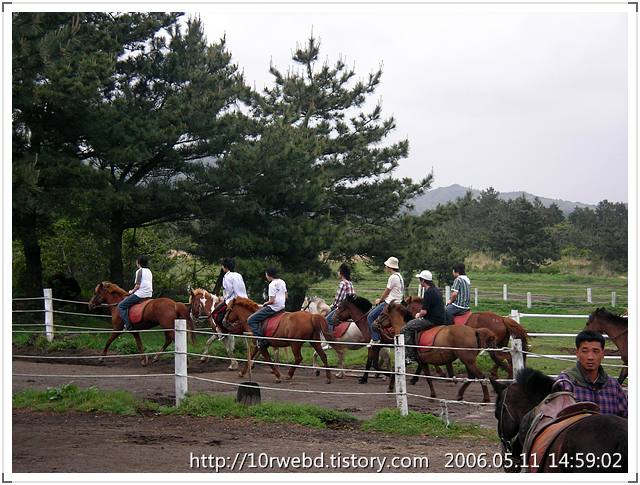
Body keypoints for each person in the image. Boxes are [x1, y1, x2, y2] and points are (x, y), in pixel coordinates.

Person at [553, 330, 627, 418]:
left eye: (595, 351)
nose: (590, 357)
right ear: (577, 353)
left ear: (603, 354)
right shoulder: (564, 383)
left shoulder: (613, 385)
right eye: (585, 351)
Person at [401, 270, 447, 363]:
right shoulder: (436, 290)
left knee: (406, 328)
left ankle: (410, 356)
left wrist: (418, 315)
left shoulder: (428, 292)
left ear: (423, 280)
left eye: (420, 279)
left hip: (431, 320)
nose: (419, 281)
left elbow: (424, 311)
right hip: (441, 318)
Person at [367, 257, 404, 347]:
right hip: (398, 302)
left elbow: (387, 291)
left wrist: (380, 300)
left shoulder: (392, 277)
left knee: (370, 317)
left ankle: (376, 339)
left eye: (386, 266)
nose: (385, 268)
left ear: (390, 267)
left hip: (390, 303)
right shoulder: (399, 276)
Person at [247, 267, 287, 349]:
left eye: (266, 274)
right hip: (282, 307)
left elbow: (272, 301)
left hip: (273, 308)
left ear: (269, 275)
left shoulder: (272, 284)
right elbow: (286, 296)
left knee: (251, 320)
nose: (266, 276)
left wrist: (265, 303)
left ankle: (261, 340)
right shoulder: (282, 281)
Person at [118, 255, 153, 331]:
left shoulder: (139, 271)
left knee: (121, 306)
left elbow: (137, 285)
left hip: (141, 294)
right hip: (149, 293)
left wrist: (131, 291)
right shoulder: (149, 271)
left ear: (138, 263)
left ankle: (127, 325)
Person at [212, 257, 248, 329]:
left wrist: (223, 298)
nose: (222, 267)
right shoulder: (238, 275)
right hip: (245, 298)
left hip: (233, 300)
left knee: (215, 313)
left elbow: (229, 291)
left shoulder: (227, 277)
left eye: (222, 265)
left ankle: (225, 330)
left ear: (225, 267)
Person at [326, 263, 355, 330]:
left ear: (341, 273)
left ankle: (329, 337)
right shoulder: (350, 282)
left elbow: (338, 299)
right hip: (350, 306)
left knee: (328, 320)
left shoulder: (342, 283)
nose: (338, 273)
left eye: (338, 271)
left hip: (343, 307)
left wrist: (332, 306)